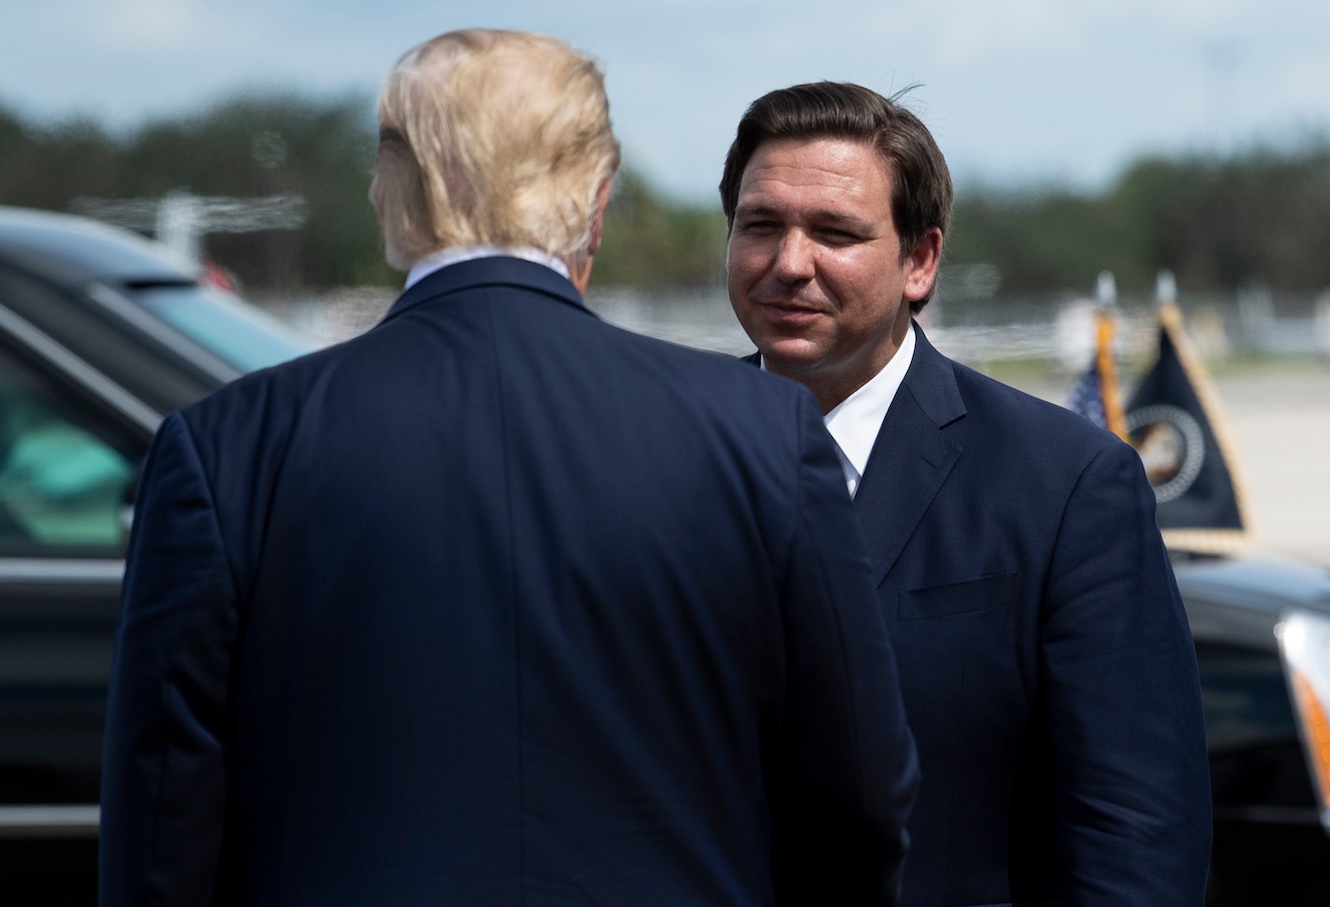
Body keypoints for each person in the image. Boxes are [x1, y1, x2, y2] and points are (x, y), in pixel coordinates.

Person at [99, 32, 918, 906]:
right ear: (597, 203)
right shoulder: (763, 433)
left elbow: (160, 826)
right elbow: (863, 794)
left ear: (389, 195)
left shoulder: (225, 447)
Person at [720, 81, 1212, 906]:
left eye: (835, 232)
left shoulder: (1065, 486)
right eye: (761, 225)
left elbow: (1135, 835)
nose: (789, 262)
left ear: (920, 261)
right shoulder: (653, 458)